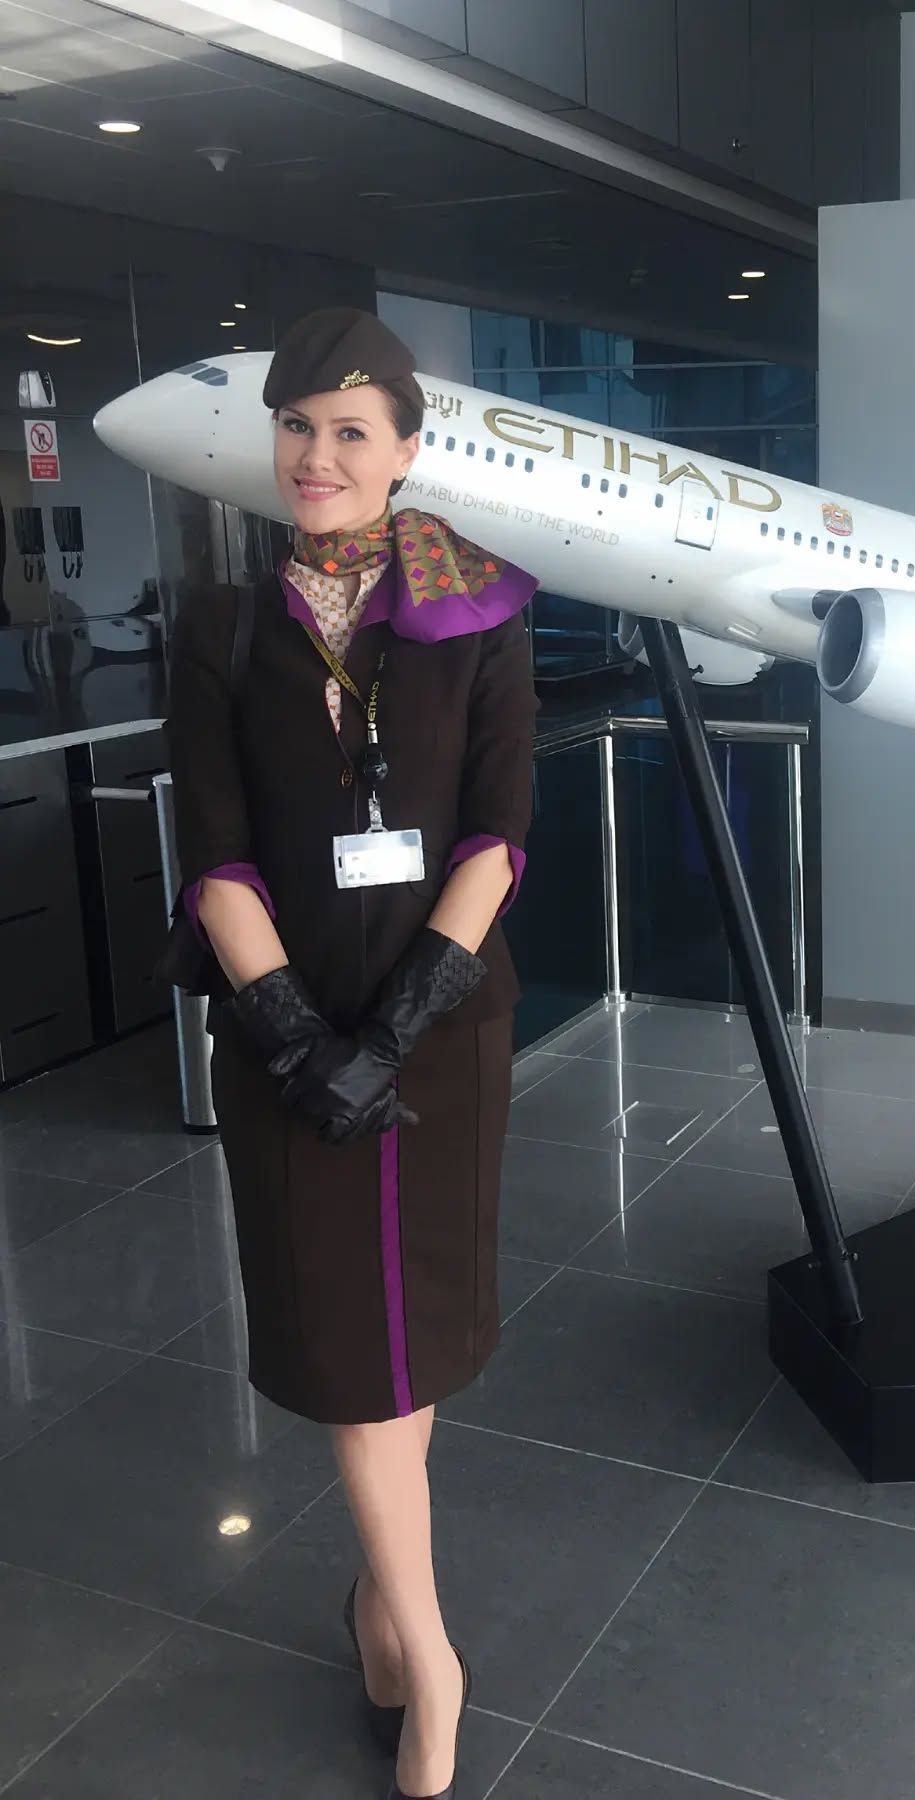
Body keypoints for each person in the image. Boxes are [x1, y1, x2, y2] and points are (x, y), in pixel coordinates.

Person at [165, 307, 538, 1799]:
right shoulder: (221, 623)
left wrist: (392, 1034)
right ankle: (429, 1658)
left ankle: (387, 1617)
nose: (314, 457)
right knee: (354, 1355)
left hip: (439, 1039)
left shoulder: (479, 610)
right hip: (285, 1043)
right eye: (295, 426)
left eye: (347, 431)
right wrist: (300, 1038)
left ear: (405, 448)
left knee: (409, 1342)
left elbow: (499, 837)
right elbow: (215, 852)